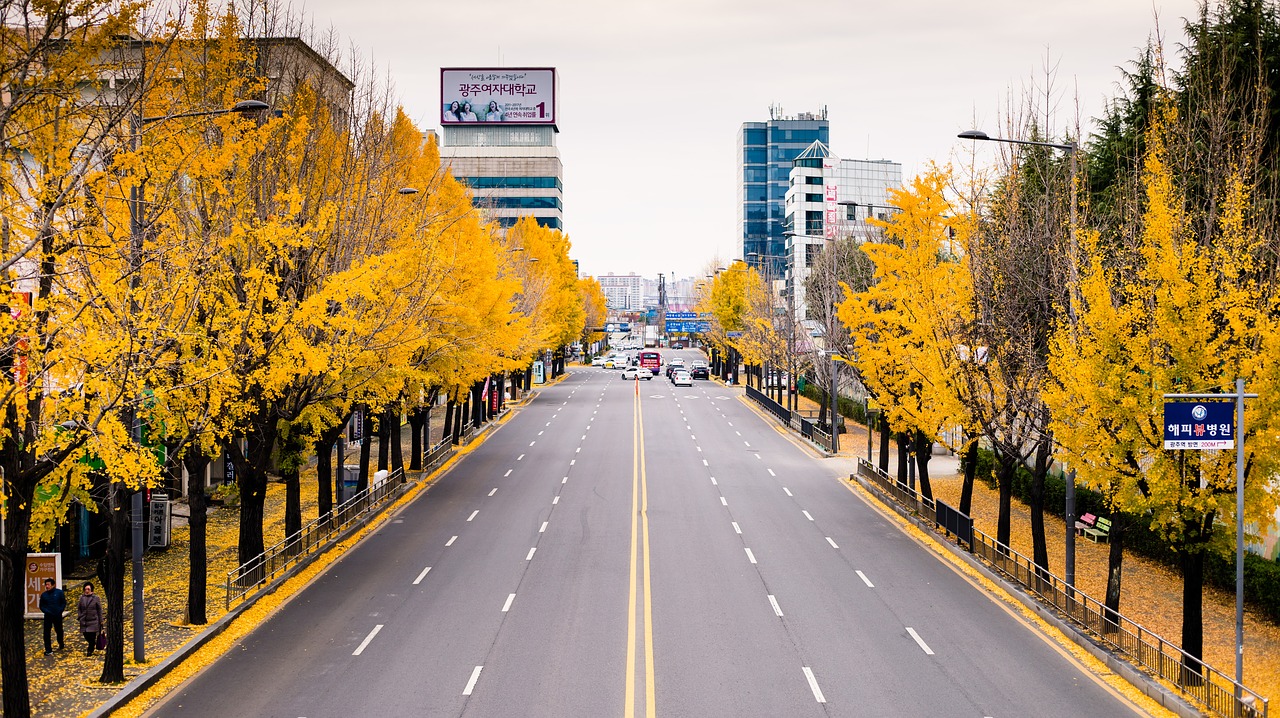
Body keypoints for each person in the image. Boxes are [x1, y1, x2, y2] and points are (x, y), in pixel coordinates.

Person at [38, 578, 66, 655]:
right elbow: (41, 606)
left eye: (48, 584)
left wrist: (60, 610)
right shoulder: (44, 595)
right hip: (48, 616)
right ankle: (48, 649)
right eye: (46, 585)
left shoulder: (59, 593)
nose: (47, 586)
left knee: (59, 630)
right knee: (46, 633)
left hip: (57, 615)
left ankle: (61, 642)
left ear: (53, 585)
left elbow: (63, 603)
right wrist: (47, 611)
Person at [77, 582, 102, 656]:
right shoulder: (82, 598)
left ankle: (90, 650)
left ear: (91, 590)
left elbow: (99, 609)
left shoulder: (96, 598)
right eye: (85, 589)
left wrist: (101, 620)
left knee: (92, 636)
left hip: (93, 621)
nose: (87, 591)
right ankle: (92, 644)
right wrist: (80, 616)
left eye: (88, 589)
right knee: (86, 635)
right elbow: (79, 608)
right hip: (84, 621)